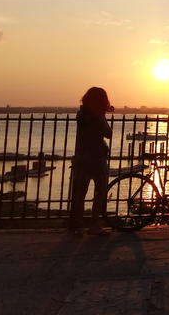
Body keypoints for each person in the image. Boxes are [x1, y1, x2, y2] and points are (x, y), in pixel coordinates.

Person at [69, 87, 113, 236]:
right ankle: (95, 225)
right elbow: (108, 133)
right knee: (100, 192)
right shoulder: (98, 116)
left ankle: (77, 226)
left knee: (80, 194)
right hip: (96, 158)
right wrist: (103, 115)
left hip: (81, 156)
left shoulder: (81, 114)